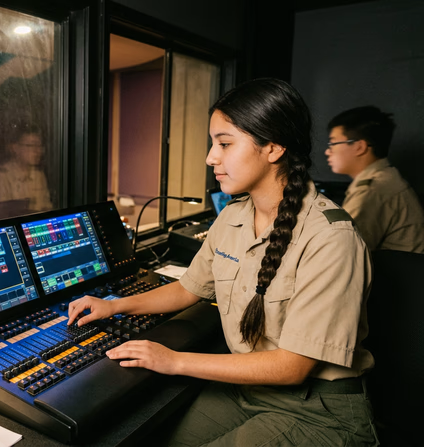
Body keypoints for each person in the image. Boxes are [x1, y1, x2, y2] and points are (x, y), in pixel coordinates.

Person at [68, 79, 378, 446]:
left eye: (225, 144)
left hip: (316, 409)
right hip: (247, 389)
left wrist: (175, 361)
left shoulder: (331, 238)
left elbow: (291, 367)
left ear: (274, 146)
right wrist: (114, 306)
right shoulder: (233, 217)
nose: (210, 157)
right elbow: (188, 289)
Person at [326, 106, 424, 253]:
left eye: (333, 143)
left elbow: (342, 251)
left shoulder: (373, 191)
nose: (328, 151)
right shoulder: (386, 178)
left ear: (360, 147)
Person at [0, 123, 53, 213]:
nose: (38, 151)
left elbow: (47, 207)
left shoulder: (38, 174)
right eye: (31, 145)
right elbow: (1, 215)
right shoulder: (1, 176)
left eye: (40, 146)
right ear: (15, 148)